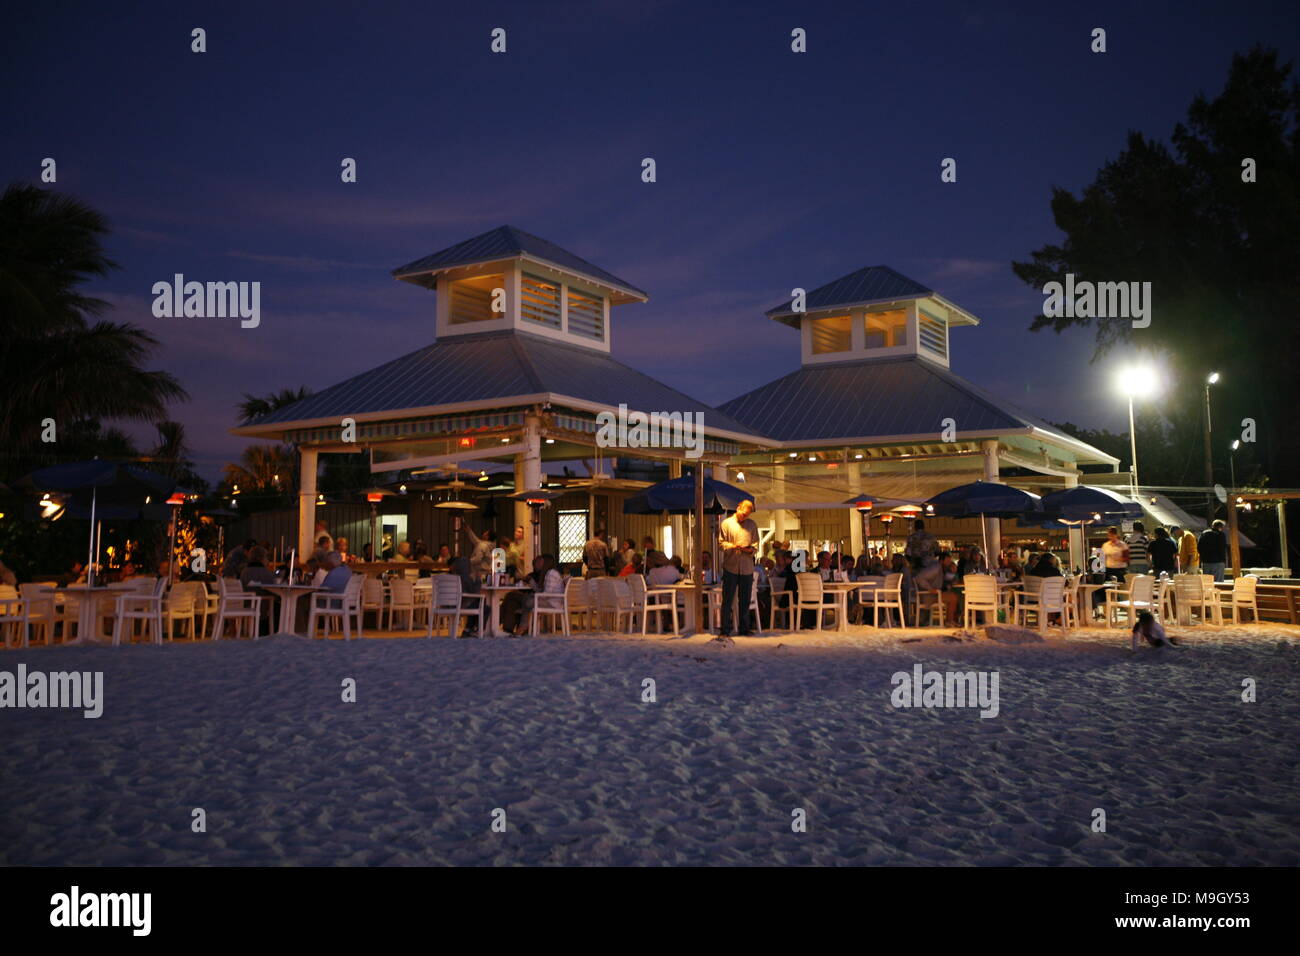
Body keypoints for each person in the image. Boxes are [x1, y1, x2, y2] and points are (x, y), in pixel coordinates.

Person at [717, 499, 759, 637]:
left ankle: (744, 628)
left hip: (747, 567)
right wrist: (733, 546)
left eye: (747, 515)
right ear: (738, 508)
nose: (744, 517)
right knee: (727, 599)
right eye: (743, 513)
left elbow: (756, 545)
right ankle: (725, 629)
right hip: (731, 566)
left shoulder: (752, 525)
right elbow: (721, 544)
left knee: (745, 599)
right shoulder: (726, 524)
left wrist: (749, 550)